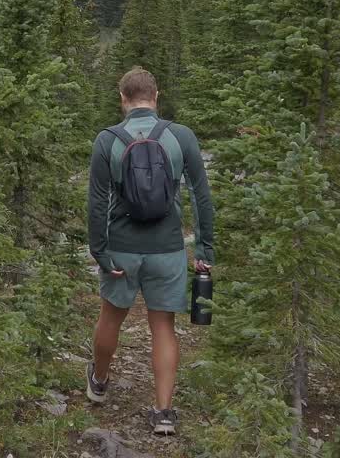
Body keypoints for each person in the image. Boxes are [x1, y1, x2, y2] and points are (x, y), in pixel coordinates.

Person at [84, 67, 215, 437]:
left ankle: (99, 381)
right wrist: (204, 248)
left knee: (111, 317)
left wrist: (100, 251)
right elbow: (200, 196)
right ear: (155, 97)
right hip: (168, 249)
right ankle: (163, 413)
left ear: (122, 98)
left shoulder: (107, 139)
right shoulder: (181, 137)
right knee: (163, 327)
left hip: (122, 250)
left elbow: (96, 205)